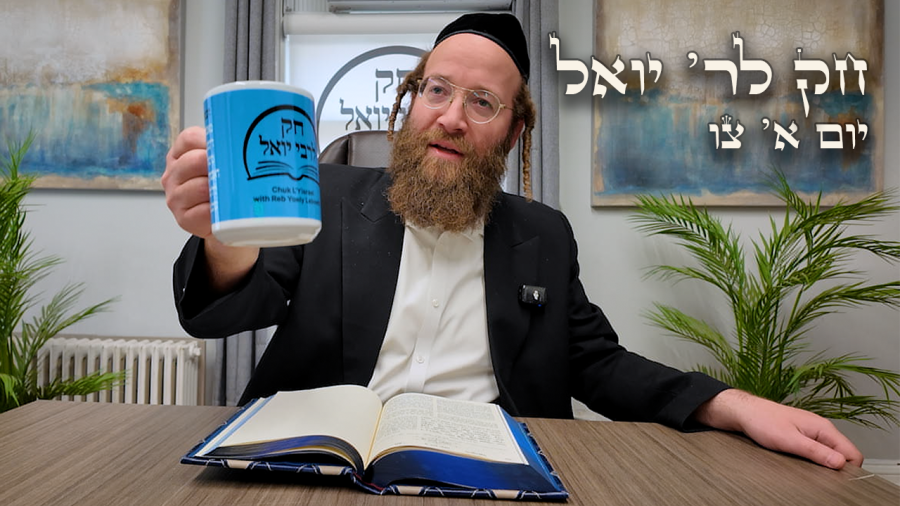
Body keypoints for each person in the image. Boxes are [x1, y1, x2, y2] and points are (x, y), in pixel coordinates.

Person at [162, 13, 863, 471]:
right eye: (437, 90)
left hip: (484, 476)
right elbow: (229, 308)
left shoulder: (542, 235)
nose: (451, 118)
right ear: (410, 103)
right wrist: (224, 241)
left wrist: (732, 404)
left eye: (482, 103)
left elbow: (599, 364)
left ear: (514, 131)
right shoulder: (324, 192)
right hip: (315, 470)